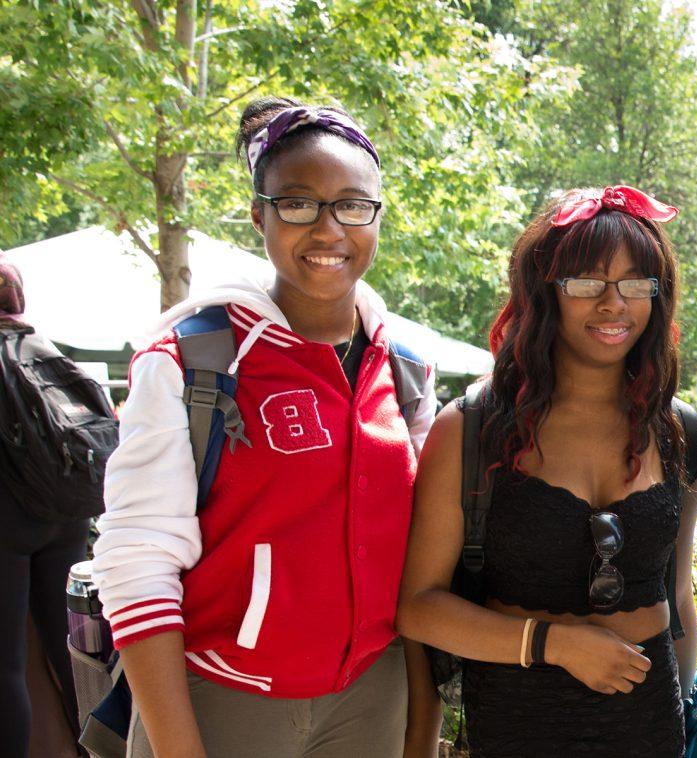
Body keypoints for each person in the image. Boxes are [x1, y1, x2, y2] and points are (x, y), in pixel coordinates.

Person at [93, 97, 441, 757]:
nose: (328, 228)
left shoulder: (406, 372)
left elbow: (420, 564)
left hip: (370, 697)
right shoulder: (193, 359)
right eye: (298, 202)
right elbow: (136, 563)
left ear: (377, 217)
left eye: (352, 204)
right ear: (260, 213)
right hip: (218, 697)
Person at [395, 185, 697, 756]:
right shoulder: (471, 430)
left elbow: (678, 594)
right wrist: (551, 643)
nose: (614, 303)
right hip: (517, 721)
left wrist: (687, 718)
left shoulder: (678, 429)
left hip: (651, 724)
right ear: (544, 292)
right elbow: (418, 607)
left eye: (636, 283)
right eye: (587, 283)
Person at [0, 258, 95, 755]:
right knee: (70, 654)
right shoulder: (42, 350)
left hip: (8, 521)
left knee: (7, 666)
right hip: (67, 513)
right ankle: (90, 748)